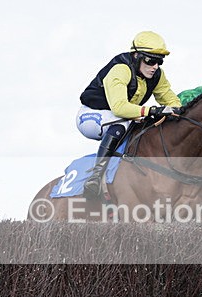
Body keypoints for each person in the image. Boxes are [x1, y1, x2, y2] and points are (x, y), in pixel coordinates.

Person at [76, 31, 182, 198]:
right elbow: (119, 108)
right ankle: (95, 177)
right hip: (91, 115)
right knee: (122, 123)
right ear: (136, 56)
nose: (155, 66)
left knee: (144, 125)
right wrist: (152, 110)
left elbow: (171, 100)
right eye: (150, 60)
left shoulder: (157, 75)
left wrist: (179, 111)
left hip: (119, 115)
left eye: (159, 62)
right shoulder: (121, 70)